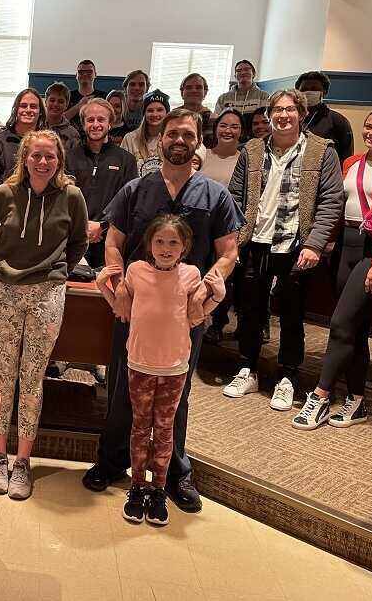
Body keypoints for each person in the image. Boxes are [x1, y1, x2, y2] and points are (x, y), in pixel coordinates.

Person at [83, 108, 242, 514]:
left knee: (176, 397)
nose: (179, 141)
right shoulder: (136, 190)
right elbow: (113, 243)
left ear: (198, 141)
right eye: (172, 134)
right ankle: (112, 461)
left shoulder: (215, 195)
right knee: (123, 389)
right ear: (160, 139)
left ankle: (173, 473)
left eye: (188, 135)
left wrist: (209, 284)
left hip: (186, 315)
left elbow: (229, 252)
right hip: (136, 311)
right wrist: (119, 285)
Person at [0, 130, 89, 500]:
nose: (42, 162)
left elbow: (79, 241)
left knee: (33, 377)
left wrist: (57, 272)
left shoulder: (72, 196)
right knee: (4, 375)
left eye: (49, 156)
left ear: (59, 160)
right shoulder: (4, 194)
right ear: (24, 158)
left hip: (47, 295)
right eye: (36, 155)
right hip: (6, 292)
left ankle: (23, 460)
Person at [293, 107, 372, 430]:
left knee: (339, 323)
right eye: (369, 126)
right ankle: (357, 399)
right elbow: (336, 206)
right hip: (346, 249)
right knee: (355, 329)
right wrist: (325, 243)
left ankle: (320, 396)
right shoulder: (351, 162)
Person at [98, 215, 224, 525]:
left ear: (184, 247)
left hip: (174, 367)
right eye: (160, 241)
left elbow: (196, 318)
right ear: (149, 244)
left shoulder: (191, 275)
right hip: (140, 363)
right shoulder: (136, 271)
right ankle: (137, 487)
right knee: (140, 427)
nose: (166, 248)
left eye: (173, 243)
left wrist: (217, 297)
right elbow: (122, 311)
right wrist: (103, 286)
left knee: (165, 429)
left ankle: (158, 490)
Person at [224, 89, 343, 411]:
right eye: (277, 109)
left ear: (302, 114)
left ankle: (288, 376)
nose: (283, 115)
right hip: (255, 241)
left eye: (290, 109)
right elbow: (235, 196)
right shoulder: (252, 149)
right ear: (269, 114)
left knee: (291, 315)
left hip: (296, 245)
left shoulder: (322, 151)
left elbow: (331, 201)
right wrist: (234, 238)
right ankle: (247, 368)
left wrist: (315, 243)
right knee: (249, 311)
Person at [65, 99, 137, 270]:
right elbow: (62, 198)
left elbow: (129, 203)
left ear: (110, 123)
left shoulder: (126, 160)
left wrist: (103, 225)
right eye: (90, 120)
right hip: (73, 238)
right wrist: (82, 226)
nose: (95, 124)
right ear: (83, 124)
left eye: (101, 120)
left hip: (110, 241)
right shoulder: (69, 157)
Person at [200, 108, 244, 343]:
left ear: (241, 131)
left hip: (228, 226)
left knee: (222, 276)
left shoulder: (244, 159)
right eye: (224, 125)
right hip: (201, 225)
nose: (228, 130)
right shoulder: (203, 155)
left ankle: (217, 323)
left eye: (234, 126)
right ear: (215, 129)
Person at [0, 88, 47, 203]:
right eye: (23, 106)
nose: (28, 110)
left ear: (40, 111)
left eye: (33, 106)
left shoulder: (48, 144)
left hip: (40, 207)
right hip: (5, 208)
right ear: (16, 109)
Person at [296, 71, 354, 162]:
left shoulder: (338, 121)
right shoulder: (291, 118)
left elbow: (346, 156)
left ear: (324, 92)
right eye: (304, 89)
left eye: (314, 89)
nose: (309, 92)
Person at [121, 92, 170, 176]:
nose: (155, 114)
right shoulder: (130, 139)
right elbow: (123, 169)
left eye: (159, 110)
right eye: (150, 110)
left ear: (167, 113)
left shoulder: (172, 139)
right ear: (144, 114)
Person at [174, 73, 214, 148]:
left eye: (198, 87)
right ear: (182, 92)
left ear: (205, 92)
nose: (194, 90)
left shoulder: (212, 119)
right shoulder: (172, 116)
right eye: (189, 87)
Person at [44, 82, 81, 148]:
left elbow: (76, 154)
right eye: (52, 100)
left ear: (66, 105)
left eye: (60, 101)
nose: (55, 104)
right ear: (45, 102)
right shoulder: (36, 126)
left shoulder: (73, 134)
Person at [115, 69, 150, 137]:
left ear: (147, 89)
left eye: (141, 85)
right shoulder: (116, 105)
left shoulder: (150, 109)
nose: (137, 88)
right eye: (132, 84)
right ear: (125, 88)